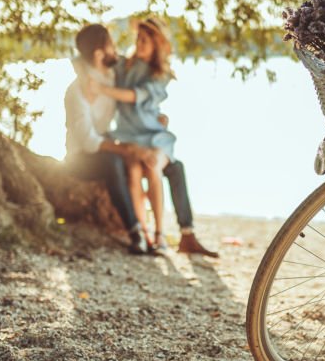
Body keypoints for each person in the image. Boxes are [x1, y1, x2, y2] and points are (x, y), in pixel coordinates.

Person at [114, 17, 219, 257]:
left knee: (166, 166)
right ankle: (147, 233)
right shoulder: (124, 66)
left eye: (144, 40)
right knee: (144, 169)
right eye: (137, 39)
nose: (138, 44)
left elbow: (140, 96)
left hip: (154, 139)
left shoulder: (158, 72)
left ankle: (170, 234)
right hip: (130, 138)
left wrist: (159, 118)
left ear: (156, 45)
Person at [63, 23, 154, 255]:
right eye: (111, 46)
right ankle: (135, 231)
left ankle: (153, 231)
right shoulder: (76, 92)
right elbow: (88, 142)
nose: (117, 51)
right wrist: (124, 149)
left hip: (107, 142)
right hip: (79, 158)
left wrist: (154, 117)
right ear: (98, 54)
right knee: (114, 162)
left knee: (152, 160)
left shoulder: (112, 76)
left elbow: (136, 92)